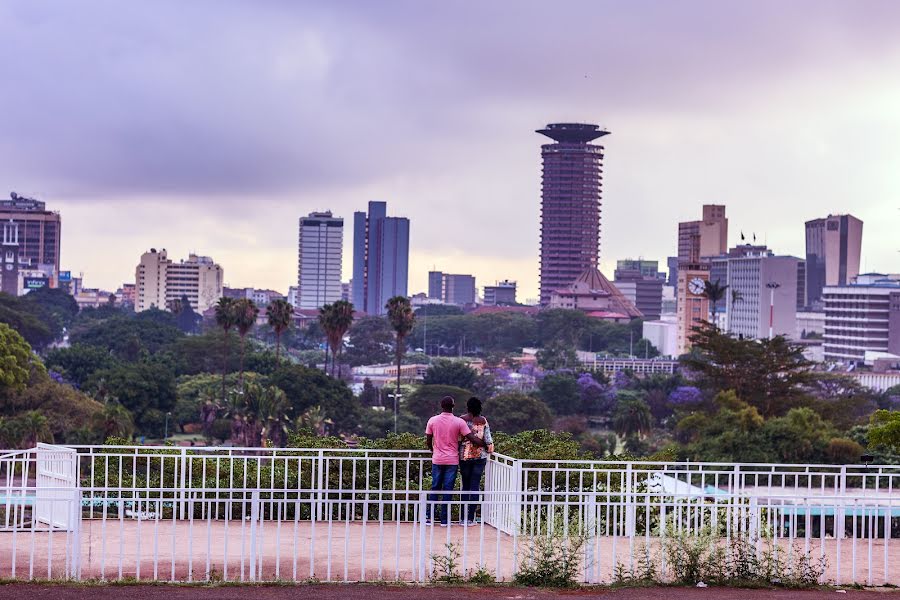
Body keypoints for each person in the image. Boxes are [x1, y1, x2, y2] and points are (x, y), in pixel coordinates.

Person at [425, 396, 486, 525]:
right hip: (452, 460)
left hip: (437, 459)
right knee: (448, 489)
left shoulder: (432, 420)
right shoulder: (458, 422)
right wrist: (485, 444)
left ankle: (429, 517)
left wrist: (433, 450)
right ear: (453, 406)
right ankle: (444, 520)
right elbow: (471, 438)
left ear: (441, 405)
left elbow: (428, 440)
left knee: (435, 487)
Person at [459, 397, 493, 524]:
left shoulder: (461, 419)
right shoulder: (483, 420)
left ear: (468, 407)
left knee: (465, 486)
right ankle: (470, 518)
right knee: (475, 487)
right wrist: (487, 447)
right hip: (480, 457)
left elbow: (457, 438)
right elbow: (488, 440)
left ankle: (462, 518)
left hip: (464, 456)